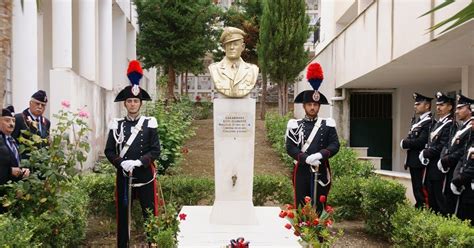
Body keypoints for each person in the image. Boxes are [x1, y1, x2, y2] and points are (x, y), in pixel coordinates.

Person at [104, 60, 160, 248]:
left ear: (141, 103)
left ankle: (153, 244)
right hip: (124, 177)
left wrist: (140, 162)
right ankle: (123, 245)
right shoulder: (116, 124)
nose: (133, 104)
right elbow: (109, 150)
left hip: (144, 176)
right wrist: (121, 163)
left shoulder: (149, 123)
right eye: (129, 101)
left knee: (150, 214)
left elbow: (155, 150)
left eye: (136, 101)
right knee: (123, 216)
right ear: (124, 104)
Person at [286, 63, 340, 212]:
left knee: (319, 205)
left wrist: (320, 155)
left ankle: (319, 235)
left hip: (321, 168)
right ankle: (302, 234)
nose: (312, 107)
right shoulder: (294, 125)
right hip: (302, 169)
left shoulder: (327, 124)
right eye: (309, 104)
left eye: (315, 104)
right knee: (301, 204)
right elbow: (290, 147)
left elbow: (335, 145)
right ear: (304, 106)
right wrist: (305, 158)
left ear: (319, 106)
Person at [419, 92, 454, 214]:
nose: (438, 107)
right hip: (431, 168)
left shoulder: (450, 124)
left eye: (442, 105)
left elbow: (442, 145)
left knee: (440, 201)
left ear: (450, 107)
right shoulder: (438, 123)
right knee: (432, 200)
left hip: (439, 168)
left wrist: (426, 153)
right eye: (437, 104)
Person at [438, 94, 473, 214]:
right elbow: (448, 145)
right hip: (453, 172)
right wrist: (443, 159)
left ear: (470, 109)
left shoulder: (470, 129)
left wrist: (447, 160)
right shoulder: (460, 128)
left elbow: (463, 152)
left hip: (464, 177)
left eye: (460, 108)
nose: (456, 112)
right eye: (456, 108)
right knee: (449, 204)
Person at [400, 93, 435, 208]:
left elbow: (421, 141)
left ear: (427, 106)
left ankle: (423, 207)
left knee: (422, 188)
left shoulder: (429, 122)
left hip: (420, 161)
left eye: (418, 104)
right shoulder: (418, 122)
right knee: (416, 188)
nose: (415, 106)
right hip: (413, 160)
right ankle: (419, 205)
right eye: (415, 104)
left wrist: (405, 143)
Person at [208, 26, 259, 98]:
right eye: (228, 44)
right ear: (224, 47)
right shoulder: (215, 69)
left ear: (243, 47)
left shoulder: (253, 69)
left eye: (235, 44)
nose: (232, 47)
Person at [0, 106, 31, 212]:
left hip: (13, 190)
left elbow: (16, 161)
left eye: (13, 120)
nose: (12, 124)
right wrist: (10, 170)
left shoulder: (12, 140)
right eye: (7, 120)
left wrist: (23, 170)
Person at [450, 104, 474, 224]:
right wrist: (456, 177)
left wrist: (459, 179)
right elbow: (462, 160)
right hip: (466, 188)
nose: (472, 123)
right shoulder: (471, 141)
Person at [12, 90, 51, 157]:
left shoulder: (46, 122)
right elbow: (13, 142)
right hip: (24, 162)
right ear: (30, 103)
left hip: (41, 163)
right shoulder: (19, 118)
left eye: (43, 105)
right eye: (37, 103)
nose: (40, 107)